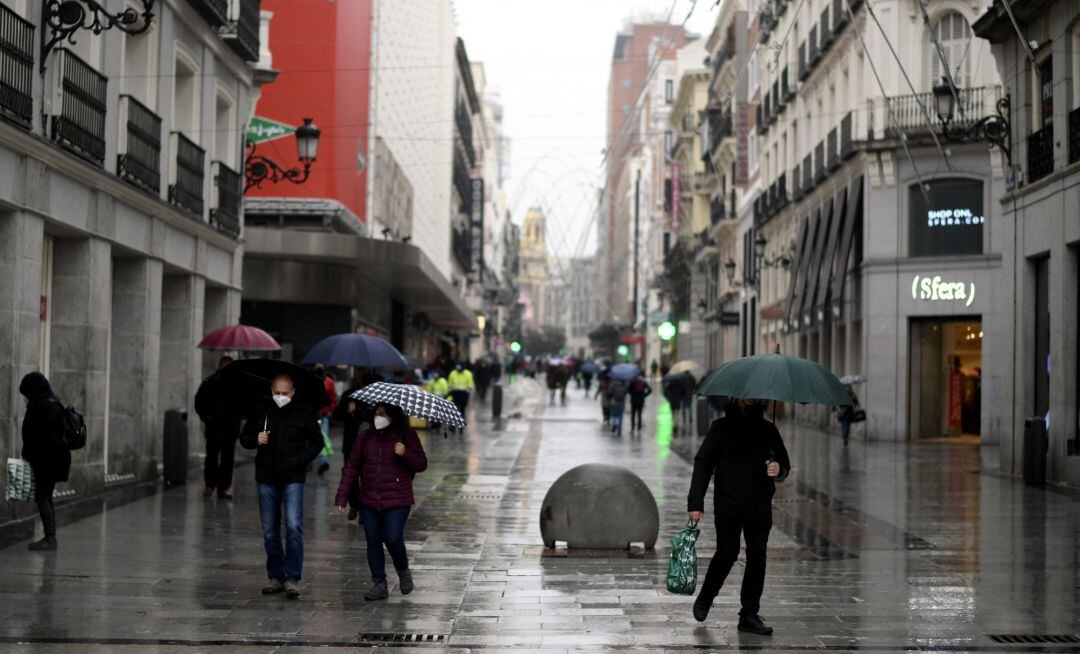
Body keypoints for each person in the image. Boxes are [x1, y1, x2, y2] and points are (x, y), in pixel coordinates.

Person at [687, 398, 791, 635]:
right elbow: (703, 463)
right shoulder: (720, 428)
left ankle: (749, 615)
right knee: (727, 552)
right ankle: (705, 597)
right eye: (748, 396)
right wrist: (695, 502)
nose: (753, 399)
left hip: (759, 505)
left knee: (757, 557)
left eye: (756, 396)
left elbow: (784, 464)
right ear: (737, 398)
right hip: (728, 503)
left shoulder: (768, 429)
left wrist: (777, 468)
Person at [240, 373, 324, 600]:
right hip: (266, 476)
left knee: (294, 526)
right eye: (277, 392)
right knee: (269, 529)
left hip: (293, 477)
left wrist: (299, 460)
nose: (280, 397)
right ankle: (275, 575)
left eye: (285, 393)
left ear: (293, 392)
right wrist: (256, 439)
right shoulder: (261, 409)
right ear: (271, 391)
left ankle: (293, 578)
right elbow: (245, 438)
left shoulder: (304, 411)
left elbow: (317, 443)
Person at [335, 403, 428, 600]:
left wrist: (405, 453)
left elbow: (421, 464)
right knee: (373, 540)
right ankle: (379, 583)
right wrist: (342, 495)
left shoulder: (406, 435)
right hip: (368, 499)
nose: (379, 417)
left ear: (393, 417)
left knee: (393, 537)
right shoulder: (366, 436)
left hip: (398, 498)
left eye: (384, 414)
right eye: (377, 413)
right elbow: (351, 467)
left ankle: (403, 571)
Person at [19, 372, 71, 551]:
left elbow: (33, 436)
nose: (24, 399)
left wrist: (26, 455)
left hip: (47, 462)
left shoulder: (39, 407)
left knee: (42, 497)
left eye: (25, 394)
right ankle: (50, 536)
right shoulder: (53, 403)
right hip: (55, 460)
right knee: (46, 497)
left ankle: (50, 538)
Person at [194, 356, 241, 499]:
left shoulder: (237, 386)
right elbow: (199, 403)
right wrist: (207, 418)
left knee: (227, 457)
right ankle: (210, 484)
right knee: (212, 457)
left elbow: (243, 405)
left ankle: (224, 487)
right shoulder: (209, 383)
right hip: (214, 426)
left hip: (230, 427)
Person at [333, 372, 378, 520]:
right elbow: (337, 416)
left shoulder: (375, 398)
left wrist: (359, 411)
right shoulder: (350, 395)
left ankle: (365, 509)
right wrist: (348, 411)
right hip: (351, 444)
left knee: (367, 477)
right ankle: (354, 504)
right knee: (350, 475)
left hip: (369, 445)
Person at [312, 365, 338, 475]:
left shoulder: (329, 382)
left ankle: (322, 461)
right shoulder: (310, 379)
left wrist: (328, 410)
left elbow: (333, 399)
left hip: (323, 415)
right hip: (312, 415)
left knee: (322, 438)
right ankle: (313, 461)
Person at [447, 362, 474, 427]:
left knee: (462, 410)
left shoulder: (468, 374)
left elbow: (470, 386)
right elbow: (449, 385)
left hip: (464, 395)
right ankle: (452, 426)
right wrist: (450, 394)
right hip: (455, 394)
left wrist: (466, 394)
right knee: (454, 410)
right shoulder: (452, 373)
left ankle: (461, 425)